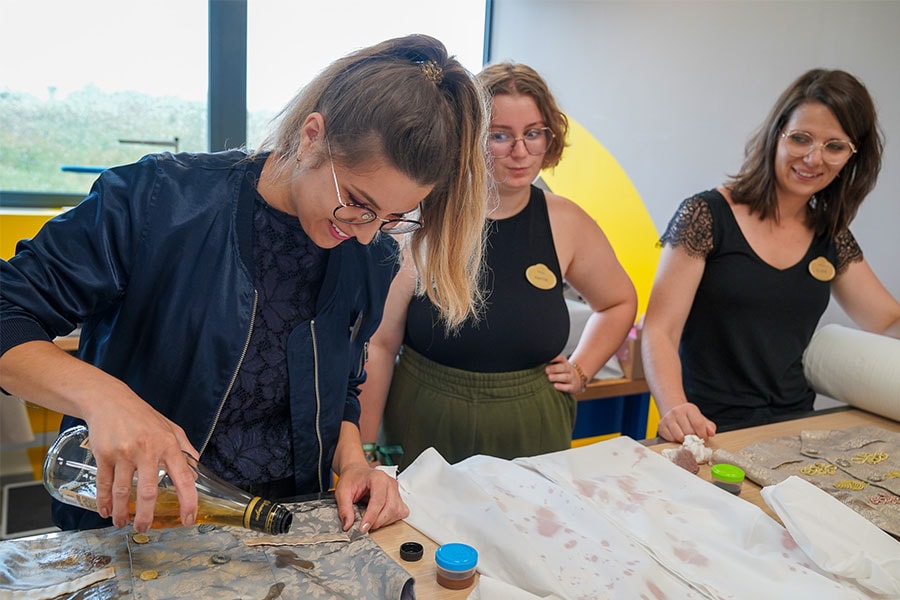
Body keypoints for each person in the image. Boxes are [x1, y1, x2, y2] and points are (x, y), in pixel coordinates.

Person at [0, 34, 491, 534]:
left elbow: (339, 387)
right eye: (359, 202)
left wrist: (356, 464)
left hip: (283, 530)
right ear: (311, 136)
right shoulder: (159, 202)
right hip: (136, 524)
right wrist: (104, 398)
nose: (365, 234)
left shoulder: (372, 253)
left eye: (391, 217)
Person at [358, 62, 637, 469]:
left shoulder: (567, 222)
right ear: (468, 137)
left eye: (533, 133)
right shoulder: (422, 217)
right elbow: (380, 345)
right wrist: (364, 454)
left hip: (532, 424)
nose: (520, 151)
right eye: (500, 135)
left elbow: (618, 302)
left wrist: (582, 369)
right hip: (423, 421)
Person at [642, 68, 900, 443]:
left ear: (852, 156)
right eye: (801, 139)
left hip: (792, 432)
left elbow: (886, 319)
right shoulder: (706, 214)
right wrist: (675, 408)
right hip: (707, 429)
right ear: (776, 135)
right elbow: (660, 329)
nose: (814, 158)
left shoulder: (831, 234)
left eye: (835, 146)